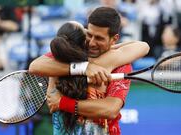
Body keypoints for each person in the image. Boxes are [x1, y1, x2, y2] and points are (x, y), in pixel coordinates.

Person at [29, 7, 150, 135]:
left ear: (114, 39)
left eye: (99, 38)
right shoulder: (68, 53)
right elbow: (34, 67)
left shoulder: (120, 64)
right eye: (89, 35)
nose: (91, 43)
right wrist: (83, 68)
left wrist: (62, 103)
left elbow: (110, 109)